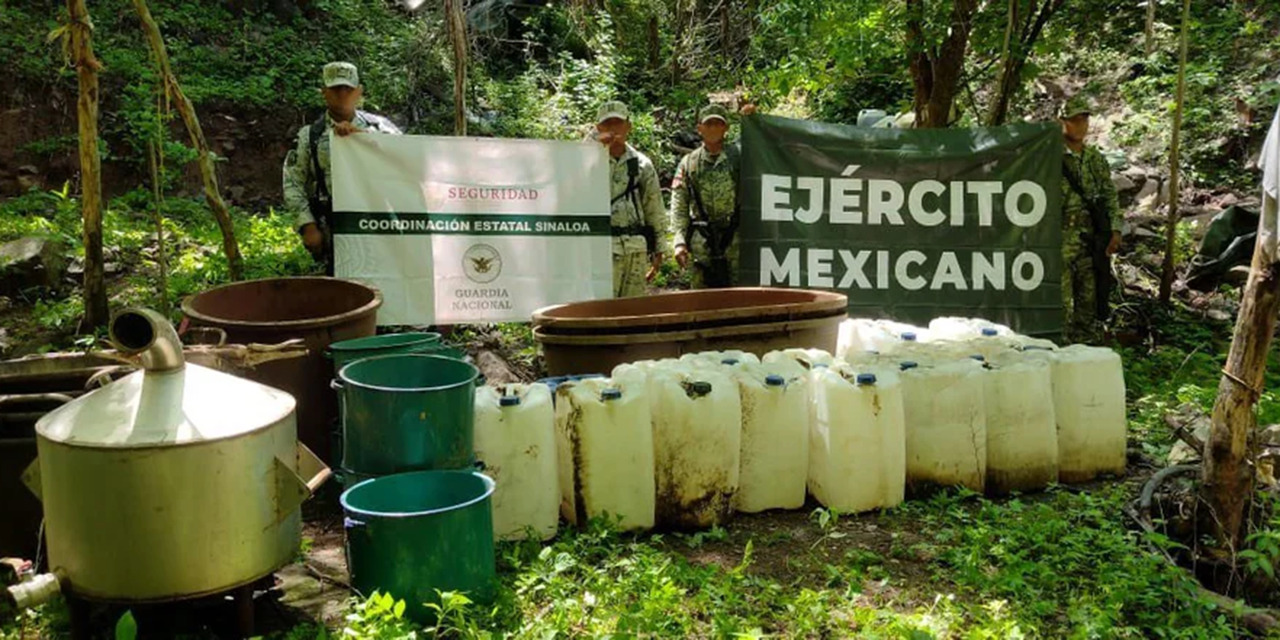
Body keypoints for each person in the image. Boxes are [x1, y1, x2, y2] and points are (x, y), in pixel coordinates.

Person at [283, 62, 402, 275]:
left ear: (359, 91)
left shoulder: (382, 129)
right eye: (336, 89)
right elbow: (293, 182)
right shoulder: (310, 136)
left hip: (380, 224)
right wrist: (307, 226)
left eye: (348, 89)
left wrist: (364, 139)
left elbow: (406, 162)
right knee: (342, 290)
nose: (342, 94)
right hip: (333, 227)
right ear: (324, 93)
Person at [1059, 95, 1122, 343]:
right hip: (1059, 238)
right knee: (1060, 304)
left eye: (1084, 119)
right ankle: (1058, 352)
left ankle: (1085, 353)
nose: (1080, 125)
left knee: (1089, 301)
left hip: (1089, 239)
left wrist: (1115, 230)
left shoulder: (1095, 159)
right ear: (1062, 122)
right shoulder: (1049, 156)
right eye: (1074, 120)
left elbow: (1109, 195)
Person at [593, 101, 665, 298]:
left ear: (628, 126)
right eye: (607, 124)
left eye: (618, 123)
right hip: (600, 250)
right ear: (598, 127)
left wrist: (659, 247)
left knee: (632, 311)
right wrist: (591, 143)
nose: (613, 129)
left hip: (635, 248)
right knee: (601, 310)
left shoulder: (641, 164)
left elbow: (653, 206)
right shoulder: (586, 161)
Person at [670, 104, 741, 289]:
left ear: (726, 128)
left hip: (735, 242)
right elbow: (680, 204)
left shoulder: (739, 158)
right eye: (709, 124)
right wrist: (679, 241)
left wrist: (753, 118)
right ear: (699, 128)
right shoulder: (690, 163)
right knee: (702, 302)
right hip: (702, 243)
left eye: (718, 124)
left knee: (739, 299)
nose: (713, 129)